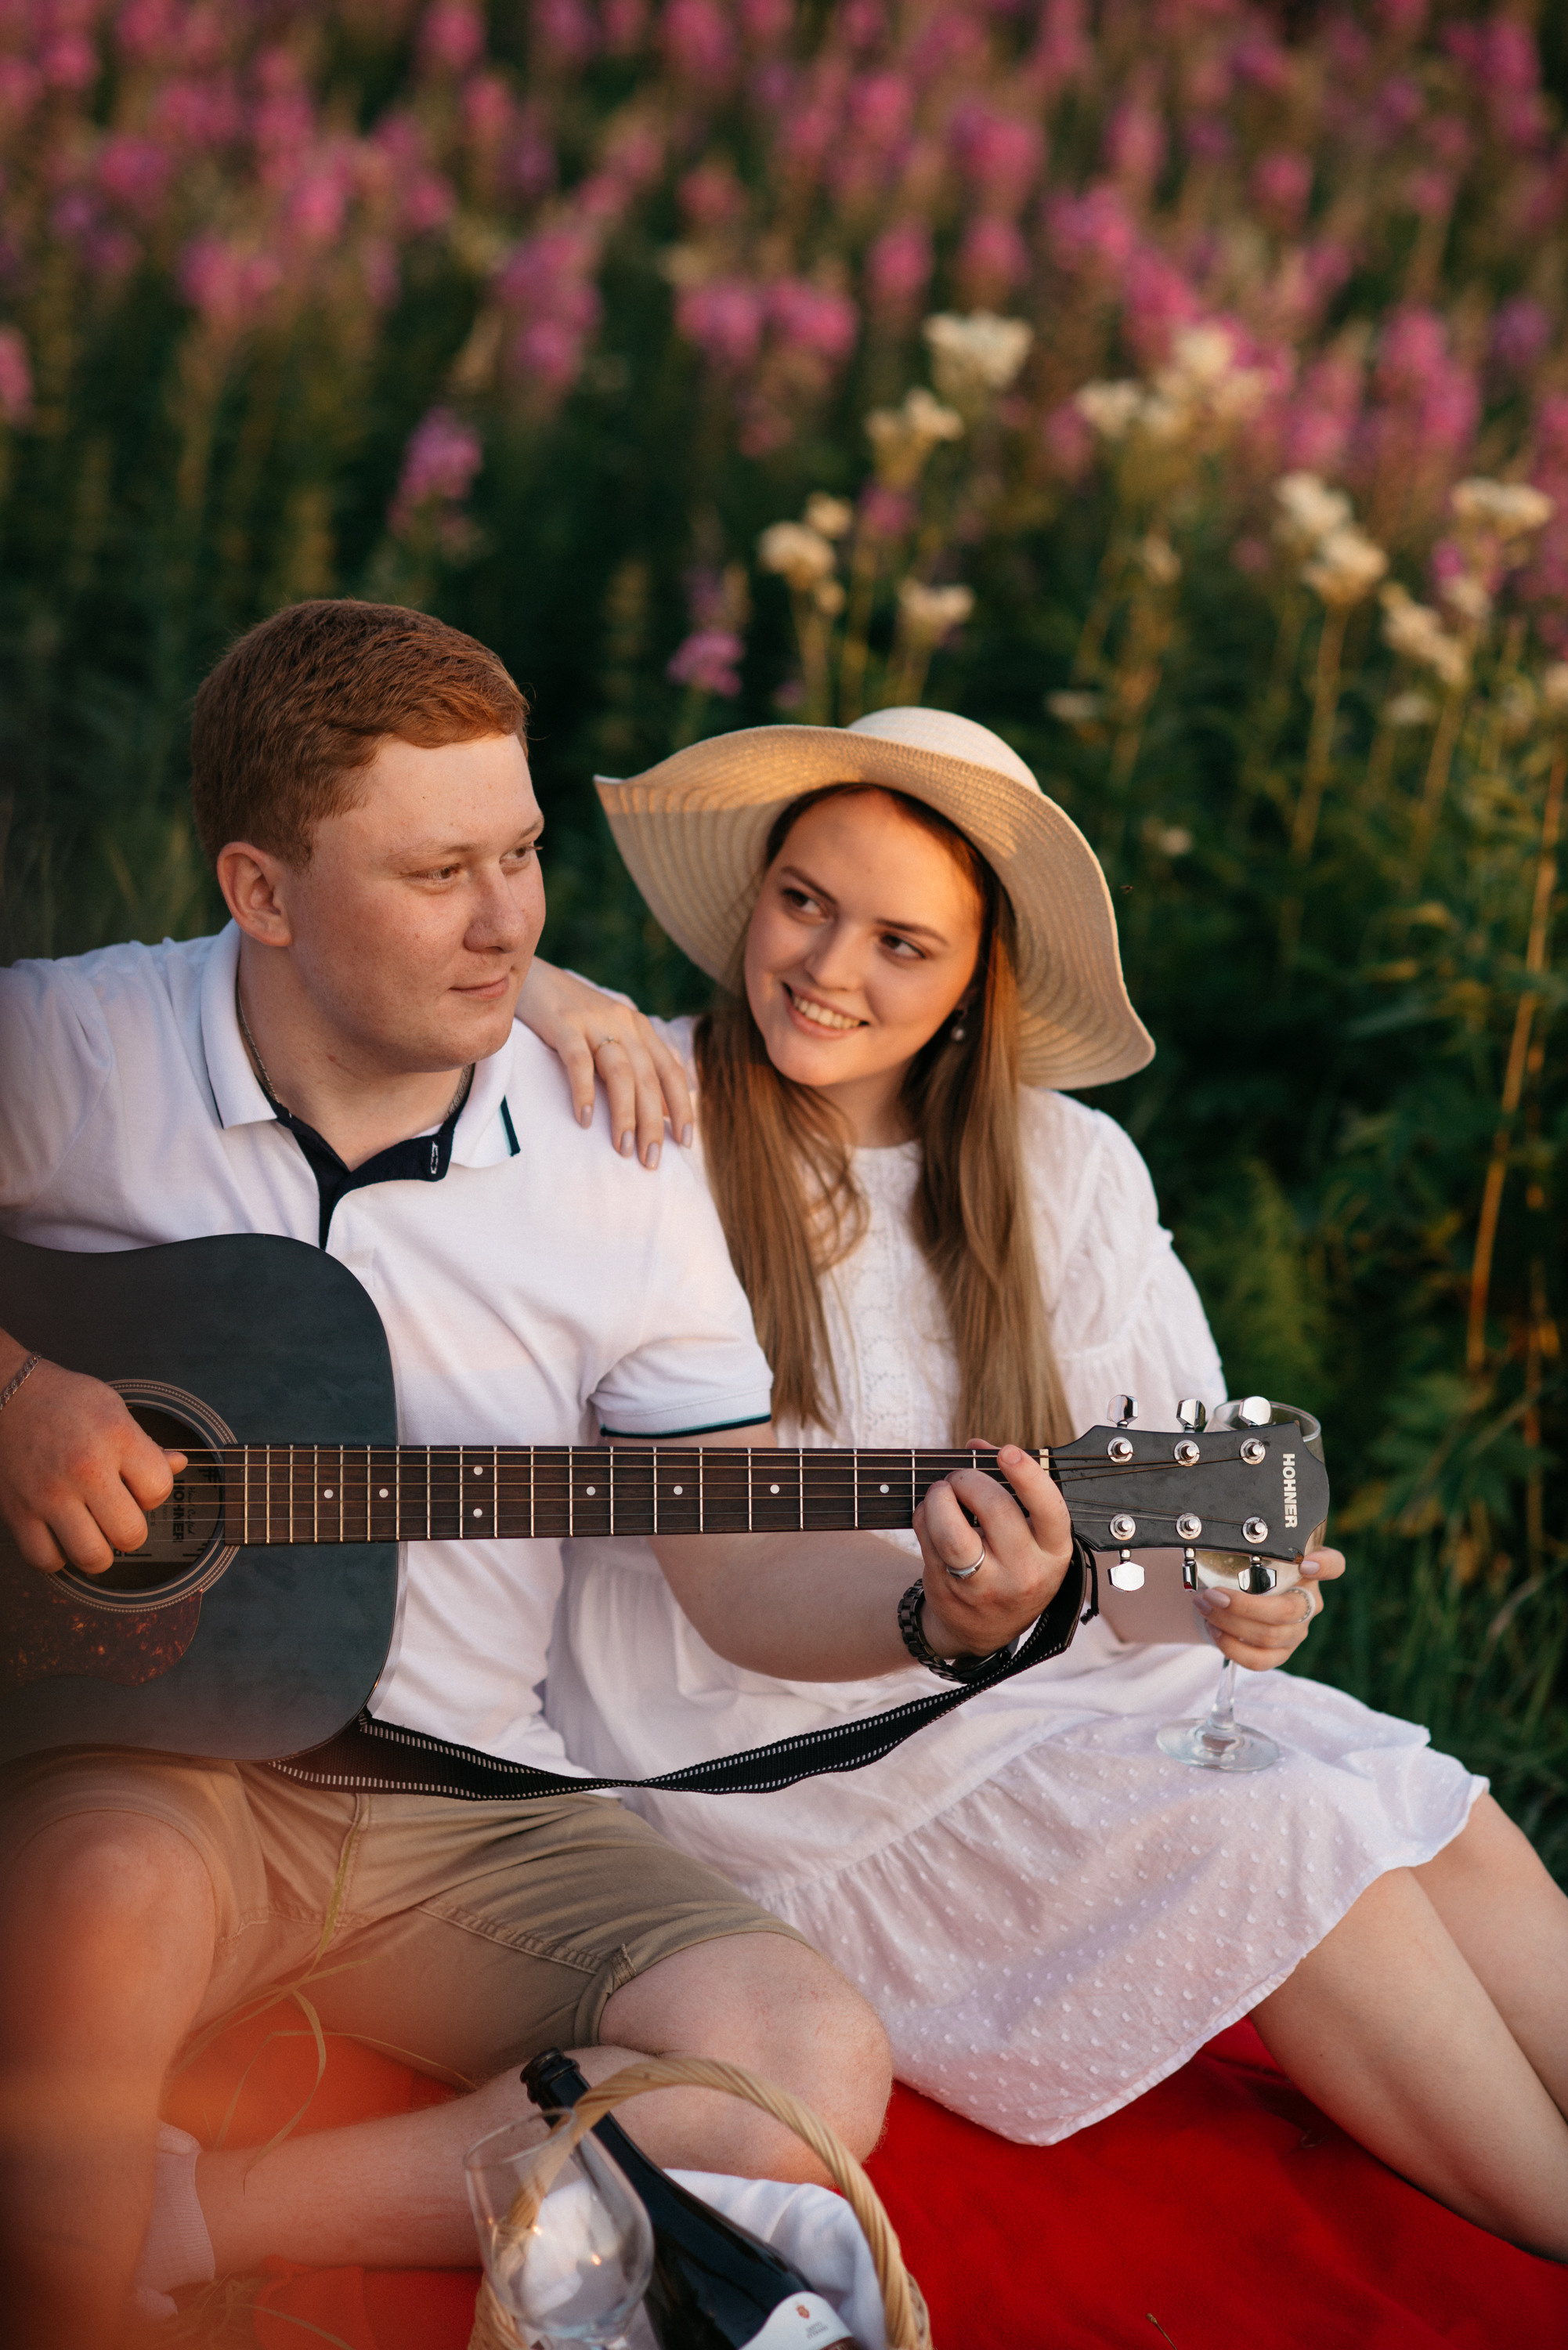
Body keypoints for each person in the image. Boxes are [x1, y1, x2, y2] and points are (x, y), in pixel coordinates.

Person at [0, 609, 1073, 2348]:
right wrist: (23, 1393)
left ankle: (212, 2208)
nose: (511, 922)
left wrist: (930, 1605)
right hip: (155, 1764)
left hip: (462, 1799)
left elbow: (727, 1556)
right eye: (439, 873)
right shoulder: (80, 1048)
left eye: (522, 856)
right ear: (260, 894)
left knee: (802, 2053)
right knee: (97, 1904)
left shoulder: (614, 1148)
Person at [517, 703, 1568, 2260]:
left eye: (902, 943)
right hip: (777, 1745)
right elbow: (400, 998)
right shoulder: (638, 1106)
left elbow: (1182, 1524)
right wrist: (541, 984)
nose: (827, 968)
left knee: (1429, 1809)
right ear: (752, 897)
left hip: (1031, 1683)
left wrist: (1240, 1597)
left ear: (970, 985)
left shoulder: (1060, 1166)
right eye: (803, 902)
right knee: (1272, 1835)